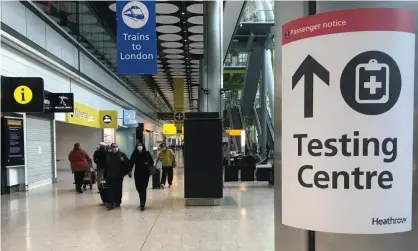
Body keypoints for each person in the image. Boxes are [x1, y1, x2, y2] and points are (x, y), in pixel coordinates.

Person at [105, 143, 129, 210]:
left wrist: (123, 160)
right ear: (111, 148)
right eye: (113, 147)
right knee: (110, 189)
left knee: (118, 189)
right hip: (110, 175)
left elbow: (128, 162)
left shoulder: (121, 154)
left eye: (116, 146)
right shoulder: (108, 155)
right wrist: (105, 175)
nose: (114, 148)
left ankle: (118, 201)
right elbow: (106, 165)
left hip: (119, 175)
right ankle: (111, 202)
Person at [130, 142, 154, 211]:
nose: (139, 146)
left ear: (143, 146)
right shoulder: (134, 154)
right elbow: (131, 162)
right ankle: (142, 199)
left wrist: (147, 163)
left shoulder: (147, 153)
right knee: (138, 187)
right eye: (138, 145)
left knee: (143, 188)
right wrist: (129, 171)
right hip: (137, 173)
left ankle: (142, 203)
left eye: (140, 145)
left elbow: (152, 162)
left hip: (145, 173)